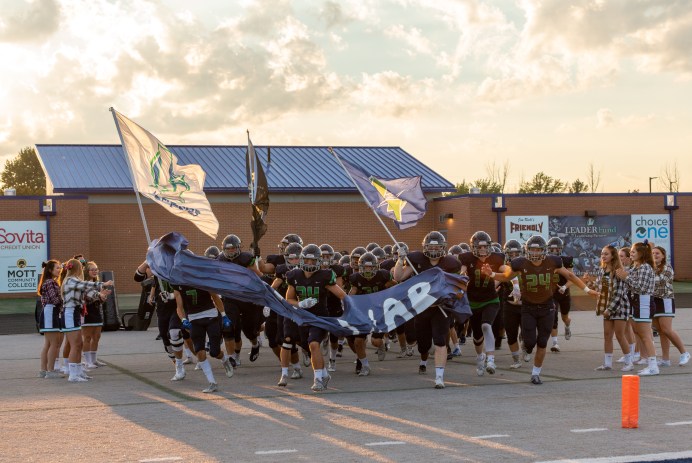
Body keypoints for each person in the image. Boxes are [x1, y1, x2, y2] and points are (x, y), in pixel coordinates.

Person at [482, 235, 598, 385]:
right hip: (528, 307)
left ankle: (535, 373)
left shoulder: (553, 261)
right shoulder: (520, 263)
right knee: (530, 342)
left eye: (538, 250)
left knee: (542, 342)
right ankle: (526, 346)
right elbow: (506, 276)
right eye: (532, 249)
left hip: (547, 307)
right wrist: (491, 274)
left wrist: (587, 290)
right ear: (527, 250)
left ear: (544, 250)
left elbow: (570, 275)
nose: (535, 253)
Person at [393, 231, 468, 389]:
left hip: (441, 308)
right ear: (425, 247)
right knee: (423, 344)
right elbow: (398, 277)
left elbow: (458, 284)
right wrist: (400, 260)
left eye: (437, 247)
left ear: (443, 247)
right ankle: (423, 360)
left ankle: (439, 376)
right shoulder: (417, 260)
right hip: (422, 307)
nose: (434, 250)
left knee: (440, 341)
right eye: (431, 246)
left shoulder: (450, 263)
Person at [285, 244, 347, 391]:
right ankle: (324, 374)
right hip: (303, 317)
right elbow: (288, 299)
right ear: (302, 260)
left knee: (313, 344)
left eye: (313, 261)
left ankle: (318, 379)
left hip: (320, 317)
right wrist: (300, 304)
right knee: (308, 347)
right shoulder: (295, 275)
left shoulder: (324, 275)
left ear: (319, 261)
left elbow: (342, 295)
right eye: (307, 260)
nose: (310, 263)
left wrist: (349, 307)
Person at [458, 231, 505, 376]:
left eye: (485, 246)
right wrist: (460, 279)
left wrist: (515, 284)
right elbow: (461, 274)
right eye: (479, 247)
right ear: (473, 247)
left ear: (490, 246)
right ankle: (480, 357)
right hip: (473, 302)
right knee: (477, 337)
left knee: (486, 325)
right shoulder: (467, 258)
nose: (483, 249)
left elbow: (507, 272)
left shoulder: (496, 258)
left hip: (491, 299)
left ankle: (491, 359)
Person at [172, 279, 232, 393]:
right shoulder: (178, 283)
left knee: (214, 352)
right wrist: (183, 319)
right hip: (194, 319)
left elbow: (215, 297)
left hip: (211, 316)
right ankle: (212, 382)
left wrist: (224, 315)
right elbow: (179, 306)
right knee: (200, 352)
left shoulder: (202, 277)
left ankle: (224, 359)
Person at [60, 258, 113, 382]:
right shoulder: (70, 280)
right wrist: (103, 284)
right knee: (75, 345)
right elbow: (85, 285)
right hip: (70, 313)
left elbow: (88, 293)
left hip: (75, 313)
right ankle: (73, 375)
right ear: (78, 268)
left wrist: (100, 295)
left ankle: (78, 371)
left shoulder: (75, 281)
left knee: (78, 344)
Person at [348, 252, 396, 376]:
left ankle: (381, 346)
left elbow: (395, 286)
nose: (368, 270)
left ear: (376, 267)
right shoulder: (356, 278)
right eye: (365, 267)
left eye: (370, 267)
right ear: (360, 267)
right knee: (358, 341)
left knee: (375, 341)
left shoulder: (383, 275)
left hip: (379, 311)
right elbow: (353, 292)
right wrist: (347, 302)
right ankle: (364, 365)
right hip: (364, 311)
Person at [615, 241, 658, 376]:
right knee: (639, 333)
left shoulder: (645, 267)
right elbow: (628, 283)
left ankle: (653, 366)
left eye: (633, 251)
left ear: (641, 253)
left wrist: (626, 277)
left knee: (645, 336)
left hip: (643, 302)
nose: (631, 253)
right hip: (635, 302)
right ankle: (648, 362)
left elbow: (641, 287)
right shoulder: (635, 267)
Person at [589, 246, 634, 372]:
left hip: (620, 307)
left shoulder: (618, 271)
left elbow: (619, 294)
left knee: (620, 335)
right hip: (607, 307)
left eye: (606, 254)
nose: (603, 256)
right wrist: (589, 283)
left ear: (613, 256)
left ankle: (629, 362)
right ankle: (607, 364)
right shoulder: (602, 270)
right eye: (602, 254)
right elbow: (600, 288)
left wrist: (610, 309)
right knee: (607, 335)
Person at [651, 246, 689, 367]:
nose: (655, 255)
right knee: (661, 331)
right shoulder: (650, 267)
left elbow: (659, 281)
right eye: (653, 253)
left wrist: (646, 279)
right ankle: (665, 359)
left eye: (657, 253)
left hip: (665, 300)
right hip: (654, 301)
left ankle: (684, 353)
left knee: (666, 329)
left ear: (663, 256)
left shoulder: (667, 267)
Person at [38, 260, 64, 379]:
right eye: (57, 268)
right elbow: (55, 299)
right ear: (50, 270)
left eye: (60, 268)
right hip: (51, 312)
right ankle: (50, 371)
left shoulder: (49, 281)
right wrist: (65, 299)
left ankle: (43, 370)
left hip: (50, 312)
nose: (59, 270)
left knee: (48, 344)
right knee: (54, 343)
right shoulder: (50, 282)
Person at [547, 237, 573, 352]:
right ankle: (555, 343)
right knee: (553, 316)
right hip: (551, 293)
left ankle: (567, 326)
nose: (554, 251)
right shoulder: (545, 261)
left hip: (564, 293)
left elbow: (572, 279)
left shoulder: (566, 260)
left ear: (561, 249)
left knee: (565, 317)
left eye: (556, 249)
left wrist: (564, 287)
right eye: (552, 249)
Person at [81, 261, 108, 369]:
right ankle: (87, 361)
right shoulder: (84, 283)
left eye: (96, 269)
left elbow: (99, 300)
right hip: (87, 312)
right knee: (87, 337)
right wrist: (99, 296)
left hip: (96, 311)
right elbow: (87, 297)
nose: (94, 271)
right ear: (87, 271)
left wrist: (103, 297)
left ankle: (94, 360)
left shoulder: (97, 283)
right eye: (92, 269)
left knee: (96, 337)